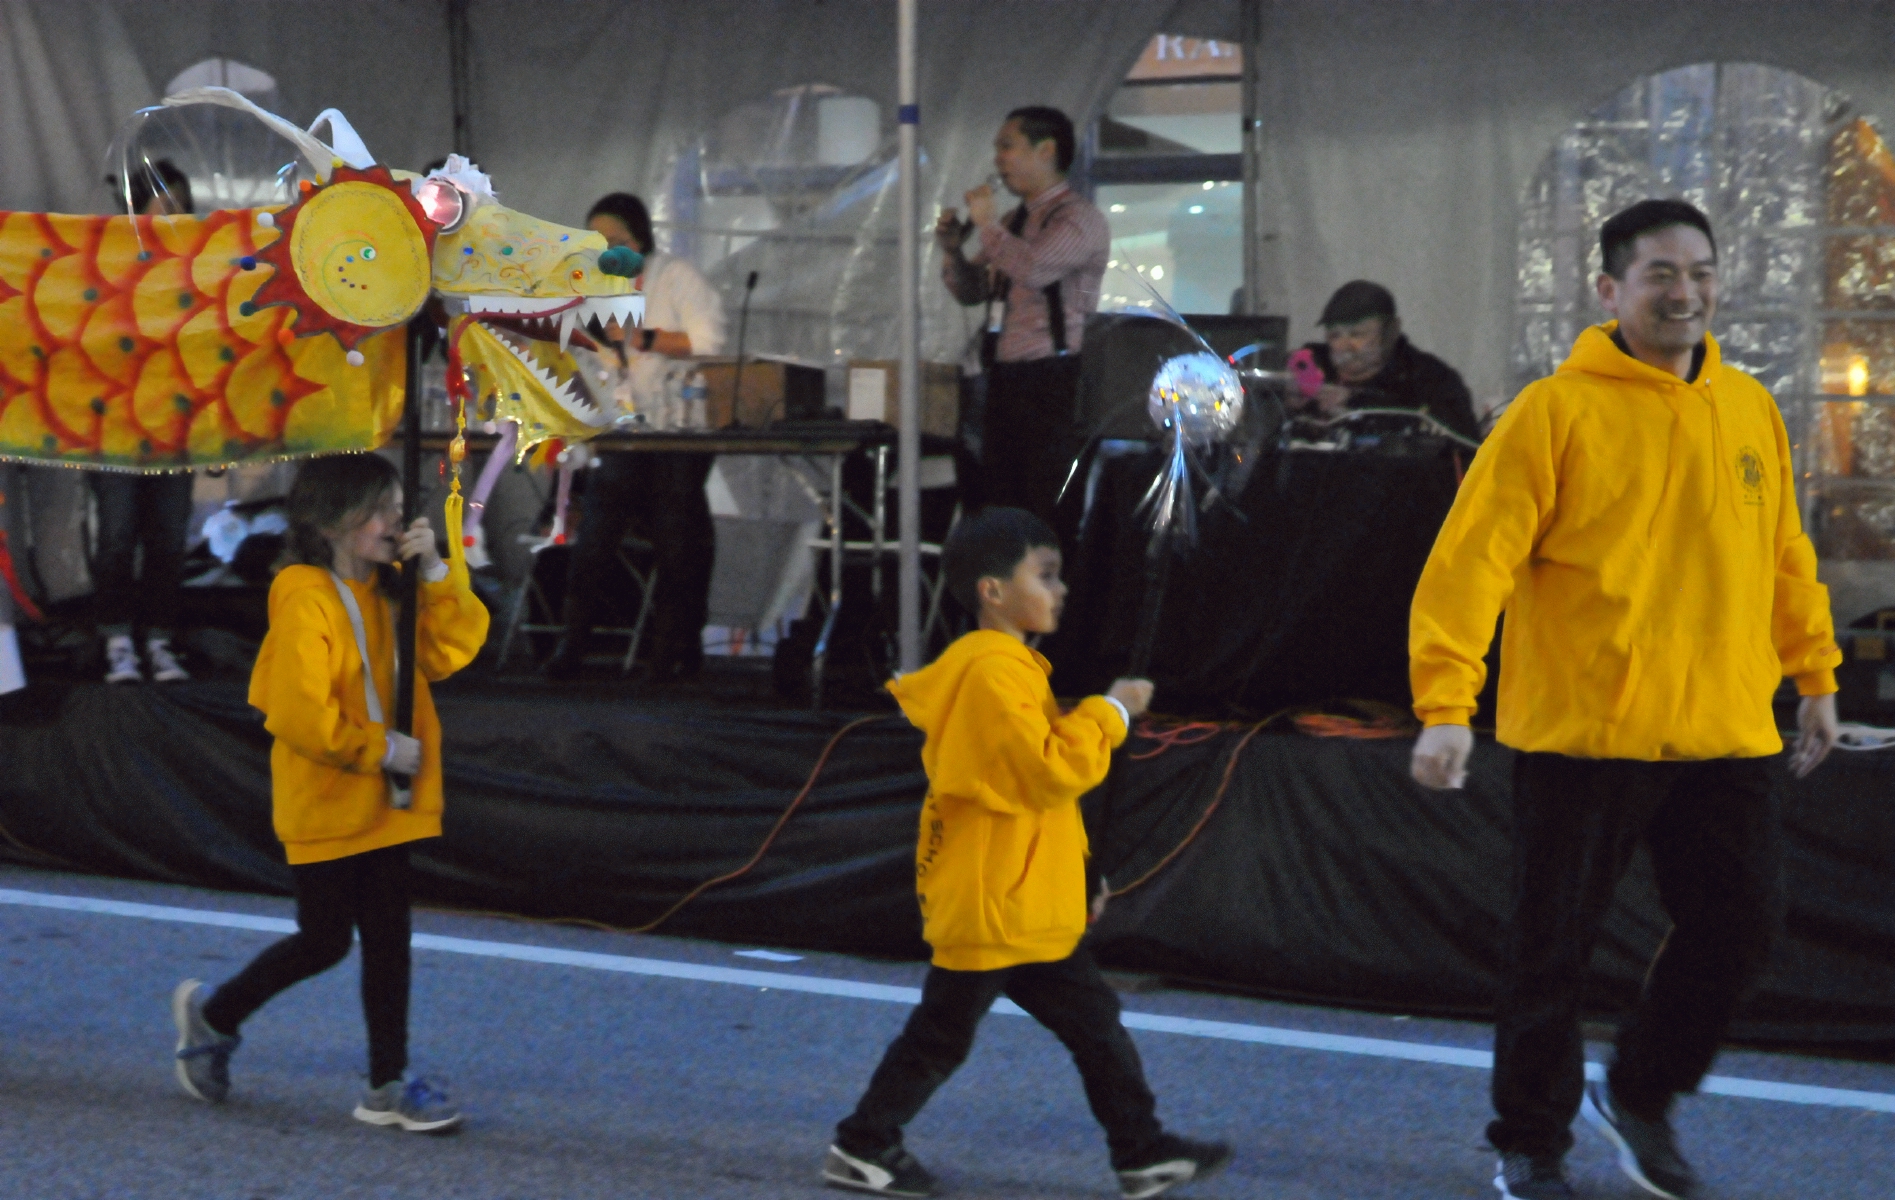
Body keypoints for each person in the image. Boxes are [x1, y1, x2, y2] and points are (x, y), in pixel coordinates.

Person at [1407, 200, 1841, 1200]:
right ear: (1608, 291)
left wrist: (1812, 675)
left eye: (1697, 271)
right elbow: (1466, 567)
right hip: (1584, 730)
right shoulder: (1550, 415)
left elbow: (1783, 554)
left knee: (1741, 926)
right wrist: (1442, 702)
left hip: (1725, 728)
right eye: (1658, 274)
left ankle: (1639, 1092)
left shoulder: (1747, 409)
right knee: (1546, 953)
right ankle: (1529, 1141)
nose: (1682, 291)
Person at [822, 507, 1229, 1200]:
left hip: (1019, 897)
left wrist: (1077, 878)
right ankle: (863, 1144)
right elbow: (1045, 773)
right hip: (994, 900)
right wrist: (1112, 712)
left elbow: (1036, 797)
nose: (1059, 589)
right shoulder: (989, 674)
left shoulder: (1009, 668)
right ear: (991, 591)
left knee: (1085, 1025)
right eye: (1043, 576)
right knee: (947, 1034)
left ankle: (1141, 1151)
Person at [170, 454, 489, 1132]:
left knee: (387, 941)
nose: (393, 522)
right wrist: (376, 748)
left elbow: (449, 651)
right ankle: (216, 1015)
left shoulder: (395, 587)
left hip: (390, 802)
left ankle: (386, 1083)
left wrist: (436, 571)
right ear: (331, 522)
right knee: (323, 940)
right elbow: (297, 712)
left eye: (398, 509)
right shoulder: (302, 594)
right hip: (326, 797)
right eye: (379, 510)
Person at [544, 192, 725, 681]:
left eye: (615, 241)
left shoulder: (676, 276)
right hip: (626, 427)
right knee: (597, 530)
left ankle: (669, 652)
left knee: (675, 531)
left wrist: (641, 338)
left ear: (640, 238)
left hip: (682, 427)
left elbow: (711, 343)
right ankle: (573, 643)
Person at [937, 107, 1109, 524]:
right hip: (1002, 377)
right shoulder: (1015, 221)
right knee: (998, 503)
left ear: (1045, 150)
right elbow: (972, 292)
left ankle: (1051, 584)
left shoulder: (1078, 218)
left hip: (1053, 379)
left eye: (1007, 146)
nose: (997, 159)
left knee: (1044, 505)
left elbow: (1033, 269)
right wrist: (953, 251)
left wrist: (987, 224)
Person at [93, 160, 198, 683]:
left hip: (175, 430)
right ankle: (117, 641)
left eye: (182, 206)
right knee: (116, 534)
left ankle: (157, 641)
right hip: (113, 428)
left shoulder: (199, 270)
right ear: (136, 210)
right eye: (164, 205)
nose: (174, 215)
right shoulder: (103, 264)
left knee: (169, 538)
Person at [1287, 280, 1480, 443]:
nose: (1344, 347)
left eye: (1357, 334)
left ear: (1392, 331)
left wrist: (1356, 403)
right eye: (1334, 335)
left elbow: (1461, 443)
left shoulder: (1430, 379)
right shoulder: (1313, 365)